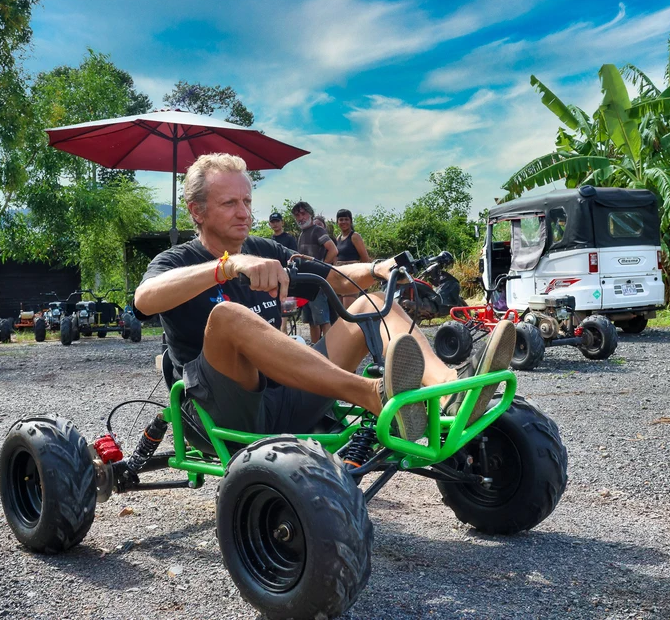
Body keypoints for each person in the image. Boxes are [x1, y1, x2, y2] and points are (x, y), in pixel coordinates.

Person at [133, 153, 516, 441]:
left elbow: (331, 277)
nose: (244, 213)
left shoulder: (265, 249)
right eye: (229, 203)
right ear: (197, 211)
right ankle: (374, 395)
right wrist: (227, 266)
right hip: (221, 414)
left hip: (287, 395)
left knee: (371, 303)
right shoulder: (176, 261)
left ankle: (450, 393)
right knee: (227, 315)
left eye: (247, 202)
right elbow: (144, 300)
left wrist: (377, 269)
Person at [292, 201, 337, 342]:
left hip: (317, 282)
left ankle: (330, 350)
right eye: (297, 215)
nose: (301, 217)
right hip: (306, 282)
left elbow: (333, 250)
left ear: (310, 214)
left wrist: (322, 268)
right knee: (311, 320)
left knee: (323, 319)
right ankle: (315, 349)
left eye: (303, 213)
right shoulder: (302, 234)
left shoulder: (317, 230)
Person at [334, 209, 370, 306]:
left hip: (351, 277)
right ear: (337, 222)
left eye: (346, 219)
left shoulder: (355, 236)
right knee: (340, 310)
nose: (344, 222)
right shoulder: (338, 238)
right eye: (341, 219)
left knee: (349, 310)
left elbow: (365, 258)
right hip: (339, 276)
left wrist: (359, 275)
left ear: (351, 221)